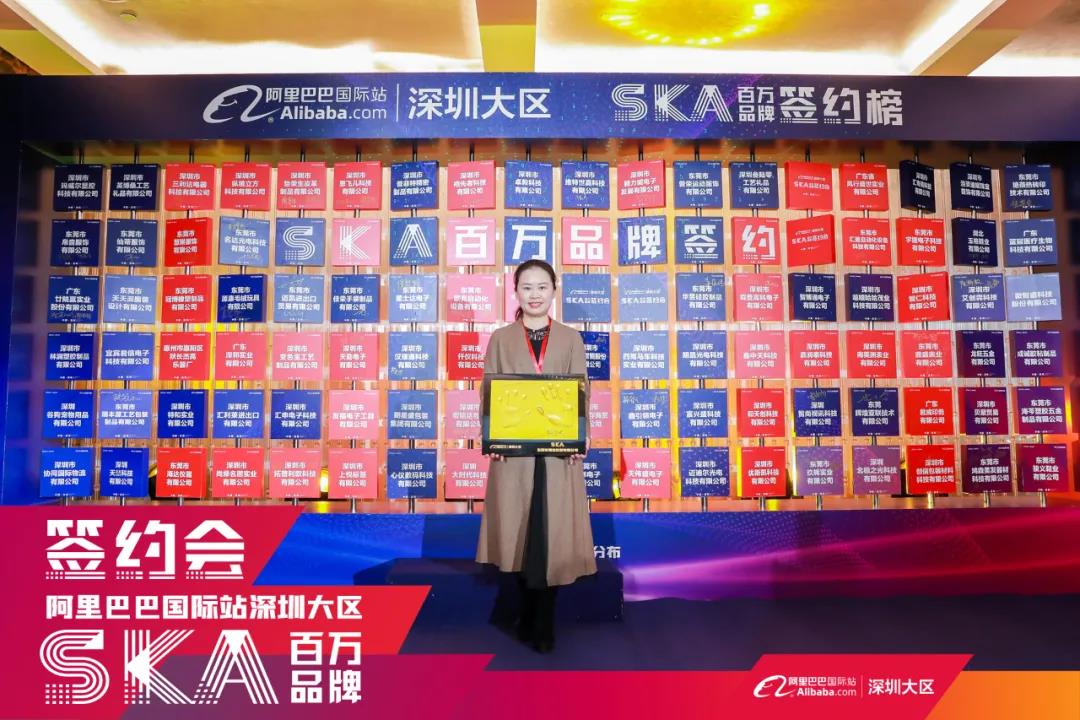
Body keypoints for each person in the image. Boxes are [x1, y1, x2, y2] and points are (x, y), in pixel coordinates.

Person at [475, 259, 598, 653]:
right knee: (520, 534)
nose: (534, 294)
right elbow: (488, 392)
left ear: (554, 291)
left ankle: (543, 622)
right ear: (515, 291)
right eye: (526, 287)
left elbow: (582, 392)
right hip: (514, 454)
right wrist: (492, 439)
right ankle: (525, 614)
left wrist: (580, 437)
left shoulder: (571, 338)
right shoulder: (500, 339)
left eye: (542, 287)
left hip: (558, 454)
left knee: (552, 536)